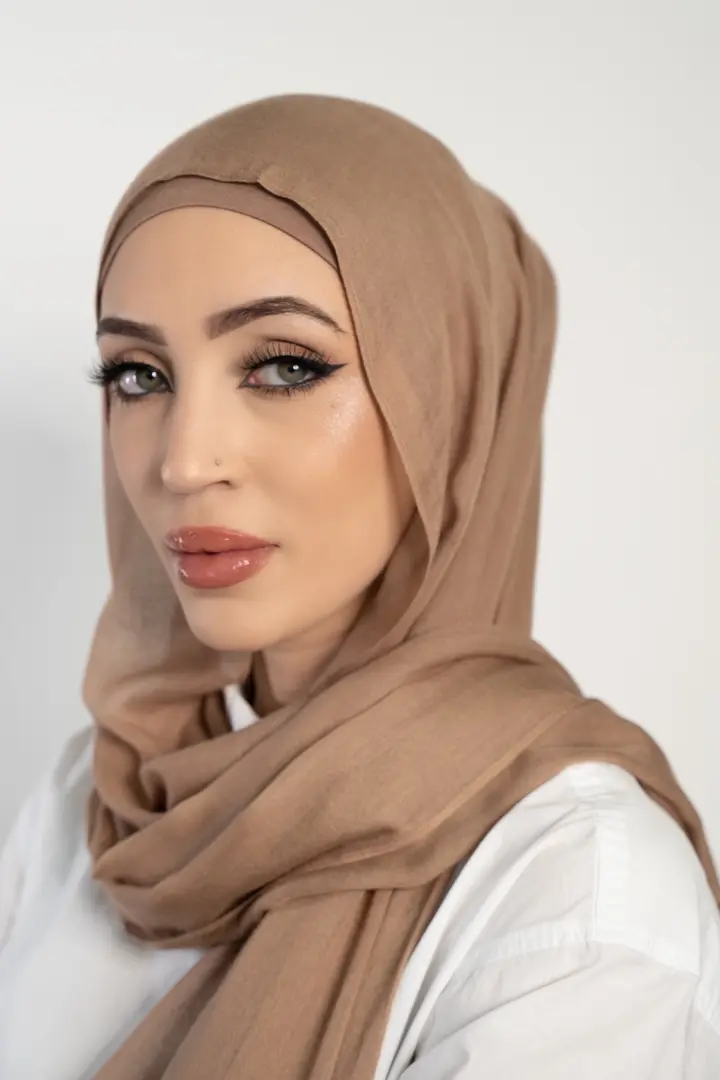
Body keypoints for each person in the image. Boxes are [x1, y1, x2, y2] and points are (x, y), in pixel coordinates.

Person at [0, 93, 718, 1080]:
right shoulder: (94, 798)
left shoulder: (576, 889)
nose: (183, 461)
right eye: (138, 375)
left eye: (284, 367)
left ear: (451, 405)